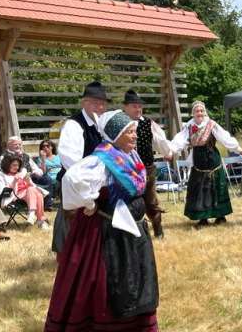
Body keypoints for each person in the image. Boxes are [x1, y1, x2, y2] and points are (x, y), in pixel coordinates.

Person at [45, 110, 158, 331]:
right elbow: (72, 179)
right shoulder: (103, 158)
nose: (135, 136)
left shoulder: (130, 155)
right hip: (107, 234)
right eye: (130, 132)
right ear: (116, 134)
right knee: (106, 282)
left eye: (135, 131)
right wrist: (89, 203)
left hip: (132, 232)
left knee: (135, 279)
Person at [52, 81, 107, 254]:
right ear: (84, 103)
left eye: (102, 103)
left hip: (94, 187)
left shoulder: (101, 125)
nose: (100, 107)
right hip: (76, 186)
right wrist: (87, 189)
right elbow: (71, 162)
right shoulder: (74, 125)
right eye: (95, 102)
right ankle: (69, 261)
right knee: (72, 229)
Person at [170, 101, 242, 229]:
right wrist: (170, 151)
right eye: (197, 111)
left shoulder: (211, 125)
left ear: (205, 112)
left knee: (216, 188)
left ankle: (220, 216)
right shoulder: (188, 126)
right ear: (193, 113)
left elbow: (224, 138)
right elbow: (179, 141)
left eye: (201, 111)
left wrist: (240, 150)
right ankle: (202, 218)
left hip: (212, 160)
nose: (200, 113)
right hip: (198, 161)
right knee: (199, 189)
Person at [122, 90, 174, 238]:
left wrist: (167, 152)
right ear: (125, 107)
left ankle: (158, 231)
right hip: (125, 170)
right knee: (128, 202)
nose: (138, 109)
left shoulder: (148, 123)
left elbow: (160, 141)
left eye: (140, 106)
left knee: (151, 201)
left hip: (147, 169)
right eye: (134, 106)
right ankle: (130, 235)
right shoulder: (118, 123)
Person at [0, 155, 50, 229]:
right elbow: (2, 191)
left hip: (29, 194)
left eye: (18, 165)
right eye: (14, 165)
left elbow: (32, 185)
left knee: (34, 191)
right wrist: (14, 181)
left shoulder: (22, 171)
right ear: (7, 165)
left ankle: (33, 214)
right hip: (14, 195)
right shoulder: (1, 175)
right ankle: (40, 219)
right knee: (35, 192)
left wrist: (28, 181)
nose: (17, 167)